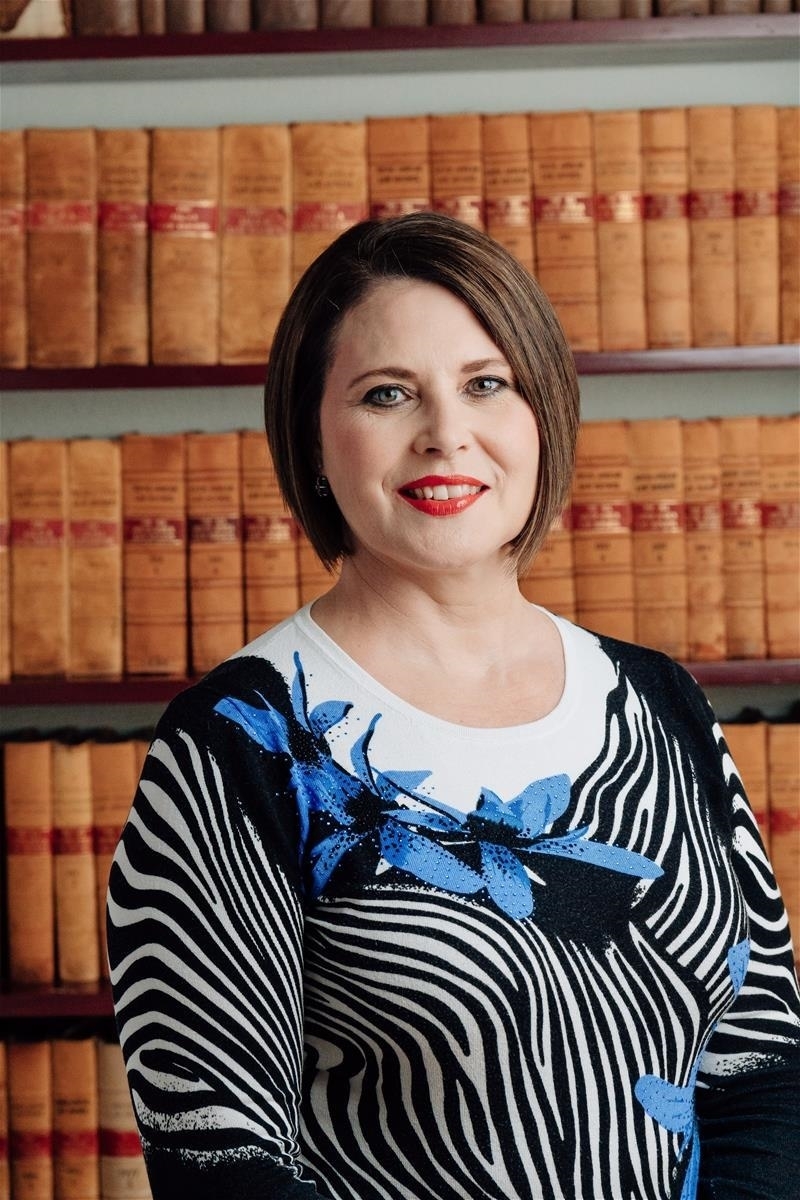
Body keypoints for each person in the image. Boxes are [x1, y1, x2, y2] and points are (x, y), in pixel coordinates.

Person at [107, 211, 800, 1200]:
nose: (445, 434)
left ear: (542, 413)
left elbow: (760, 1065)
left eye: (486, 384)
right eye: (387, 394)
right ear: (312, 440)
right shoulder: (239, 741)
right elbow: (219, 1157)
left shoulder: (658, 700)